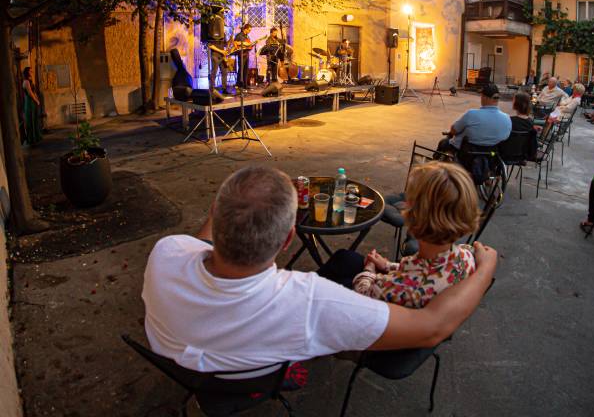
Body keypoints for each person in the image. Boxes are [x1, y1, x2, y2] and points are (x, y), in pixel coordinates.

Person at [142, 165, 497, 373]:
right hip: (255, 377)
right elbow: (432, 328)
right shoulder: (311, 302)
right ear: (288, 239)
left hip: (186, 371)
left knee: (343, 261)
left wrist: (230, 202)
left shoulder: (166, 251)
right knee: (345, 264)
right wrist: (485, 270)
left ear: (215, 215)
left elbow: (201, 241)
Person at [319, 162, 478, 308]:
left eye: (409, 201)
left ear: (416, 215)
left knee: (331, 283)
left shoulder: (403, 289)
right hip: (414, 285)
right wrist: (387, 265)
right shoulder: (465, 256)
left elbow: (363, 293)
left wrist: (369, 269)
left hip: (371, 307)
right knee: (344, 257)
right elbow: (420, 267)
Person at [437, 83, 511, 156]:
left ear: (484, 97)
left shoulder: (472, 114)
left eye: (481, 96)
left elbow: (454, 130)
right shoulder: (507, 119)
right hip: (491, 155)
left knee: (443, 143)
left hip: (467, 155)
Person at [21, 67, 42, 145]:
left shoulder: (30, 80)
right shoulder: (26, 82)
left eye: (32, 71)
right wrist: (36, 100)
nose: (32, 72)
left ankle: (36, 138)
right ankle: (31, 139)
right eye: (30, 71)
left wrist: (37, 98)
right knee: (30, 119)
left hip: (33, 101)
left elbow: (34, 91)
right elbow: (30, 93)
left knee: (34, 119)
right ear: (27, 72)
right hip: (29, 102)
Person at [232, 23, 253, 88]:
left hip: (246, 54)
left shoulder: (247, 36)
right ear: (245, 29)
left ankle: (245, 85)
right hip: (241, 54)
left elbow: (248, 44)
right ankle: (239, 84)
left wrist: (251, 45)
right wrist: (243, 43)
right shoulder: (239, 35)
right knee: (241, 69)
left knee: (246, 70)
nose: (249, 31)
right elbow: (234, 42)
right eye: (249, 30)